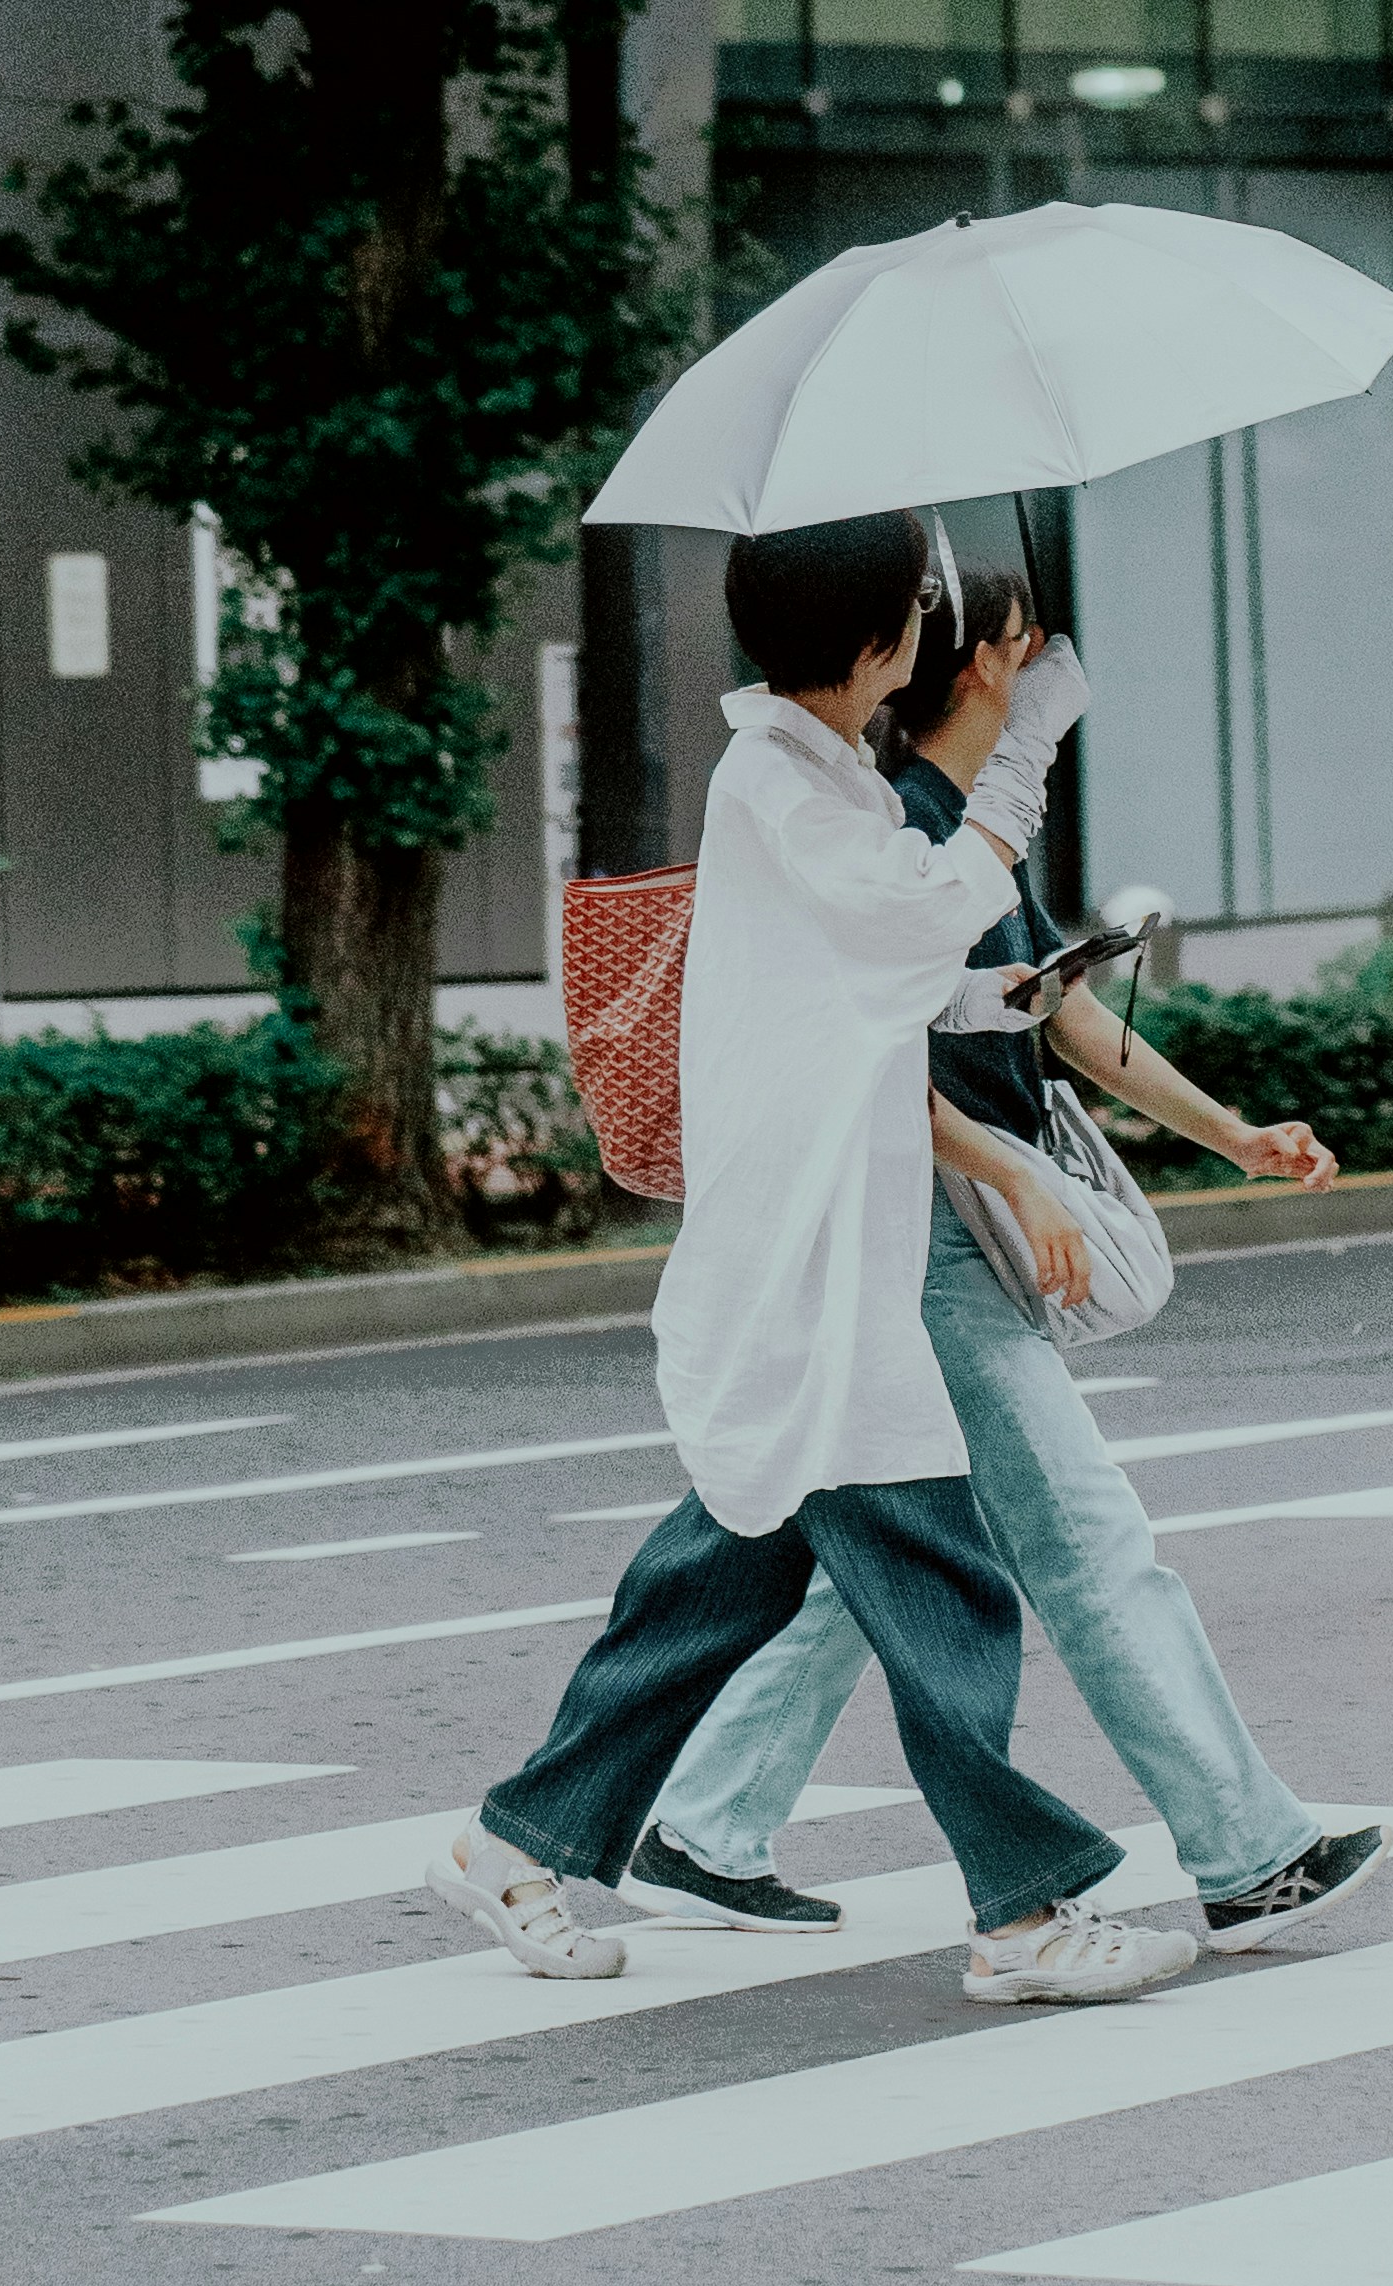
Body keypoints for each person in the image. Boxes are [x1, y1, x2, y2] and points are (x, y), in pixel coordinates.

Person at [436, 506, 1198, 2012]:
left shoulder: (817, 772)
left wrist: (1008, 953)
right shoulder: (780, 783)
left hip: (821, 1252)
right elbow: (917, 914)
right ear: (879, 639)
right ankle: (1029, 1915)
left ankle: (512, 1842)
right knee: (941, 1585)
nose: (927, 634)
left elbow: (901, 984)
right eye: (917, 611)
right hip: (808, 1267)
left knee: (713, 1587)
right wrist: (1028, 733)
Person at [623, 562, 1393, 1954]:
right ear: (983, 660)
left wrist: (1230, 1134)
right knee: (1085, 1547)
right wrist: (1021, 1165)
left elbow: (1056, 1019)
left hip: (926, 1229)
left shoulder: (946, 823)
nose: (1045, 668)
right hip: (923, 1236)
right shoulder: (900, 822)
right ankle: (1241, 1851)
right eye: (1023, 648)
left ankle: (700, 1822)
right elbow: (868, 1066)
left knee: (881, 1551)